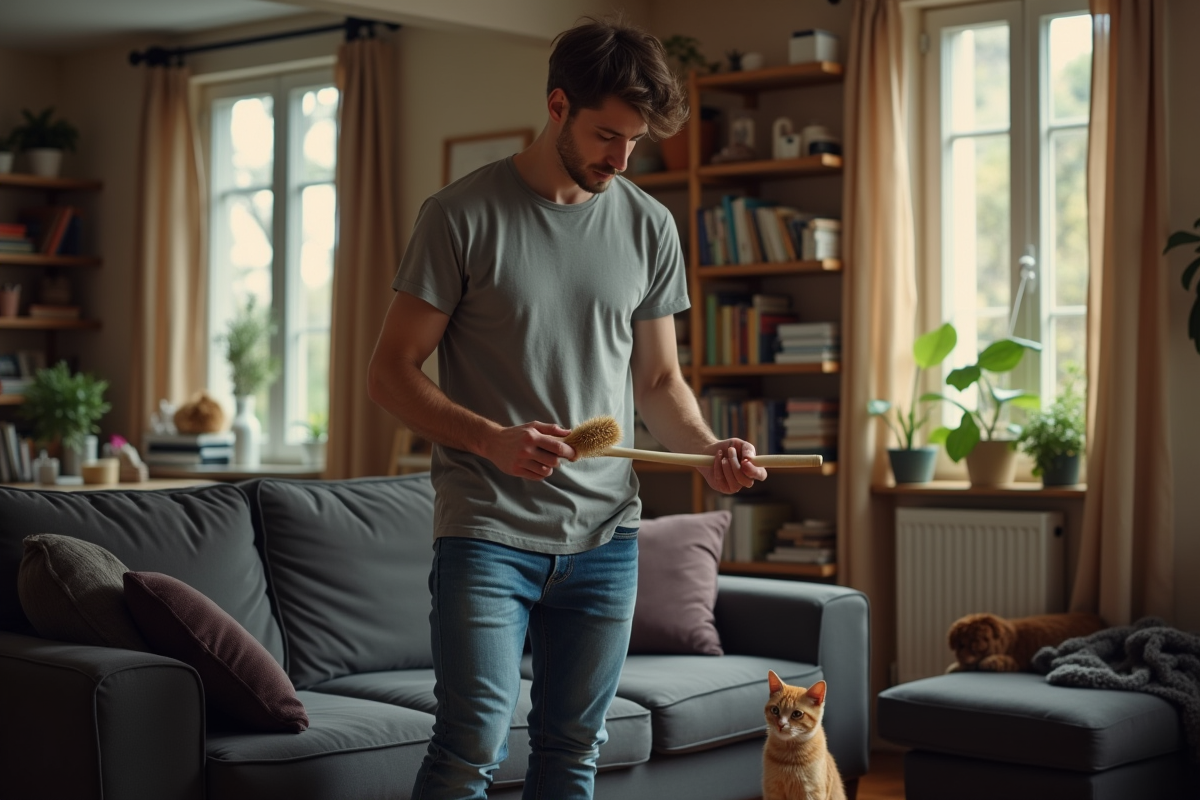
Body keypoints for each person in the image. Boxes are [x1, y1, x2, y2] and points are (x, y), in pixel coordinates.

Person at [367, 16, 768, 800]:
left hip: (607, 538)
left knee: (573, 752)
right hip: (486, 532)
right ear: (557, 105)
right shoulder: (459, 215)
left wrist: (705, 451)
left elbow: (658, 383)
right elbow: (389, 373)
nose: (620, 160)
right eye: (606, 136)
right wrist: (489, 440)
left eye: (635, 144)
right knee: (467, 748)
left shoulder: (648, 225)